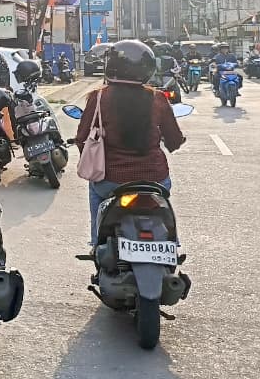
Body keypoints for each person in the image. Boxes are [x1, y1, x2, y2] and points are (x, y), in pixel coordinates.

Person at [75, 40, 186, 246]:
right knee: (163, 205)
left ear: (110, 66)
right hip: (155, 179)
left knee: (96, 194)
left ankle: (97, 245)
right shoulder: (158, 98)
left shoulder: (98, 98)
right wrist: (173, 141)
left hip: (110, 180)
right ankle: (171, 245)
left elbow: (82, 138)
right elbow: (174, 140)